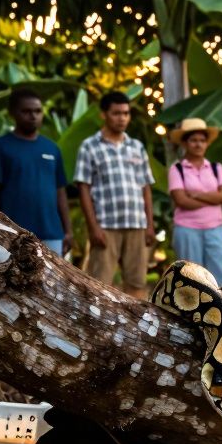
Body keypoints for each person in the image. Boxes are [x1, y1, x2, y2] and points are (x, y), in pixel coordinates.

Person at [77, 92, 156, 299]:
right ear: (104, 115)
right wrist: (93, 227)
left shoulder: (136, 147)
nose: (122, 118)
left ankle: (140, 328)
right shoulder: (89, 146)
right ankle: (98, 328)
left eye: (126, 113)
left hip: (136, 224)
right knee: (99, 284)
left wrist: (150, 225)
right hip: (106, 225)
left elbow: (145, 187)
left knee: (137, 282)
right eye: (116, 113)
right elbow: (83, 188)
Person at [0, 88, 72, 257]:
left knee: (52, 283)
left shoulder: (52, 148)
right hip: (14, 234)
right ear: (13, 113)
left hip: (52, 233)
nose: (33, 116)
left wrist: (68, 230)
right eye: (26, 111)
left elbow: (60, 192)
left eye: (38, 111)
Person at [166, 117, 222, 287]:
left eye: (202, 140)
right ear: (185, 143)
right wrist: (213, 197)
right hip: (187, 230)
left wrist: (195, 195)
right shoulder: (177, 169)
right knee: (190, 282)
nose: (198, 144)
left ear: (207, 143)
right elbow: (181, 201)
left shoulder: (217, 168)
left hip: (215, 229)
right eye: (193, 140)